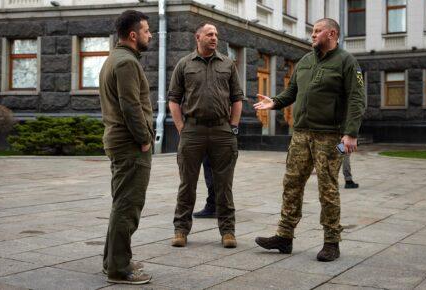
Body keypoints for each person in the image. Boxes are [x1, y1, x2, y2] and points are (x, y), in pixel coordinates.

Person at [253, 18, 365, 262]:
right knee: (291, 183)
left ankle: (331, 242)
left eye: (317, 31)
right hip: (301, 134)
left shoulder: (347, 62)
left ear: (332, 33)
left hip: (330, 135)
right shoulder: (305, 61)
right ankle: (284, 236)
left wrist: (351, 133)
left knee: (327, 188)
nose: (312, 35)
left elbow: (357, 99)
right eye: (312, 31)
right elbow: (292, 91)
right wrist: (275, 102)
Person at [168, 22, 244, 248]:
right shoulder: (184, 64)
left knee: (224, 185)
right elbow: (174, 99)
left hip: (222, 130)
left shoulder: (228, 64)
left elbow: (237, 99)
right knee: (187, 184)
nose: (214, 38)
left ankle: (228, 232)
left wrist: (234, 127)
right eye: (210, 34)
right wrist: (182, 127)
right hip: (193, 129)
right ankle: (181, 230)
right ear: (198, 37)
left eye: (216, 35)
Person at [99, 10, 153, 284]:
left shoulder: (115, 59)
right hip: (130, 145)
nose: (150, 35)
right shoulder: (126, 63)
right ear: (133, 35)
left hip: (120, 141)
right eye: (146, 31)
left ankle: (113, 260)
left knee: (121, 202)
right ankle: (120, 269)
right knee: (128, 206)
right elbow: (131, 106)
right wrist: (144, 139)